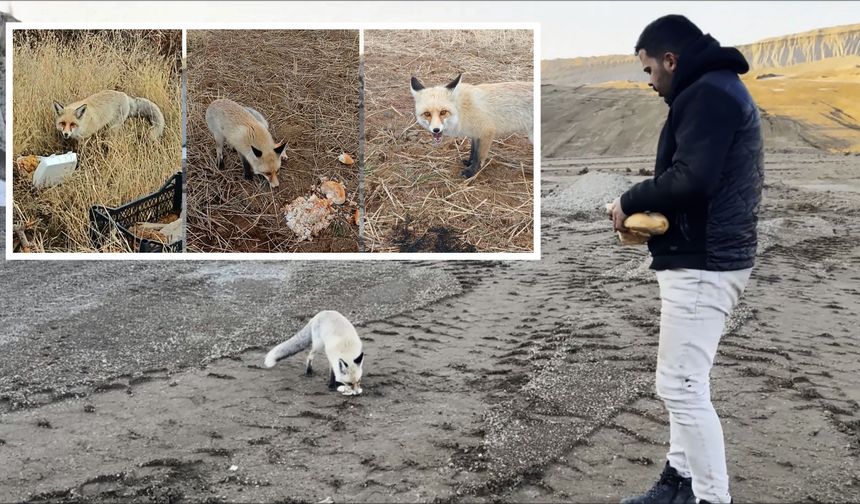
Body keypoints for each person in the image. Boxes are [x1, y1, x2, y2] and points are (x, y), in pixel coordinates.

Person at [609, 14, 764, 504]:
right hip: (707, 255)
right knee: (686, 381)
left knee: (679, 387)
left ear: (671, 60)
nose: (650, 82)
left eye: (650, 70)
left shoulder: (709, 94)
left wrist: (628, 201)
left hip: (705, 262)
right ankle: (680, 483)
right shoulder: (716, 88)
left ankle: (712, 498)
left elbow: (692, 177)